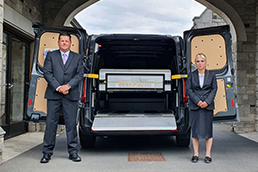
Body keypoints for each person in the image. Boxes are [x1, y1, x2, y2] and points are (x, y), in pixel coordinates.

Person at [40, 32, 84, 163]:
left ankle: (73, 153)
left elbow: (80, 74)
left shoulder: (77, 57)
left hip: (71, 95)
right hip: (54, 94)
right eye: (62, 41)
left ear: (71, 43)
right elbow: (47, 72)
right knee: (51, 124)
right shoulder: (51, 56)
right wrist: (58, 87)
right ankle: (46, 153)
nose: (64, 43)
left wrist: (68, 86)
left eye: (66, 41)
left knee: (71, 124)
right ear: (58, 42)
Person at [186, 53, 217, 164]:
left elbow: (214, 90)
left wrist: (207, 102)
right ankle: (196, 154)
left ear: (206, 62)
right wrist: (198, 101)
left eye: (202, 61)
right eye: (198, 61)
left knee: (208, 131)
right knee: (195, 131)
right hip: (195, 106)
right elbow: (189, 90)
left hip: (207, 107)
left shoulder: (212, 75)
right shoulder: (191, 75)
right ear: (195, 63)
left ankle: (208, 155)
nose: (200, 63)